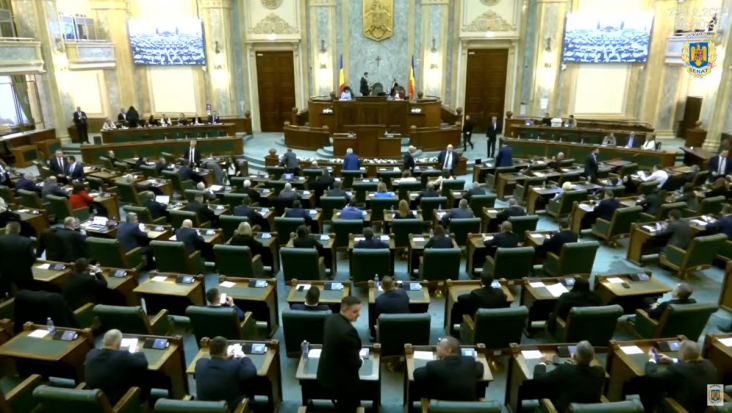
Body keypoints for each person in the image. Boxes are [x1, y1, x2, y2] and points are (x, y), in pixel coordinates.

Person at [641, 340, 717, 413]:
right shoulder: (709, 364)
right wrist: (673, 360)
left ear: (682, 355)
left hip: (681, 409)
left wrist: (652, 360)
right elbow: (716, 398)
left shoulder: (678, 369)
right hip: (707, 408)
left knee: (649, 388)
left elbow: (652, 376)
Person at [317, 296, 363, 412]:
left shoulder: (331, 319)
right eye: (355, 312)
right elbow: (354, 363)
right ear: (345, 310)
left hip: (324, 372)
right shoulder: (348, 332)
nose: (358, 315)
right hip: (340, 382)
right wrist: (361, 361)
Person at [533, 341, 605, 413]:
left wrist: (542, 362)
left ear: (574, 356)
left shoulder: (564, 370)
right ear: (592, 357)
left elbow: (538, 380)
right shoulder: (600, 372)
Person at [85, 329, 149, 406]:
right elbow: (143, 363)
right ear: (118, 344)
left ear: (103, 341)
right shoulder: (123, 356)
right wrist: (138, 352)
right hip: (117, 404)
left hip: (94, 403)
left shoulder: (91, 354)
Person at [413, 336, 484, 402]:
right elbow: (480, 367)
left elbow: (417, 374)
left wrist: (439, 362)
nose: (436, 348)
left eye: (439, 346)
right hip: (468, 408)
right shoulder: (470, 362)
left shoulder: (434, 366)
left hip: (441, 408)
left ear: (448, 351)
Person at [195, 335, 257, 408]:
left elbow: (215, 362)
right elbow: (252, 372)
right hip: (228, 408)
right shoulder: (234, 365)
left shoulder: (200, 363)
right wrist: (244, 357)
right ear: (225, 351)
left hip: (203, 408)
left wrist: (224, 357)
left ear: (209, 351)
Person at [0, 222, 36, 293]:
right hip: (22, 273)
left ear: (7, 229)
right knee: (27, 292)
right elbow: (32, 258)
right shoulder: (27, 241)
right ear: (19, 230)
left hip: (3, 273)